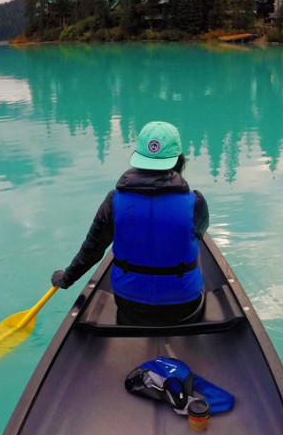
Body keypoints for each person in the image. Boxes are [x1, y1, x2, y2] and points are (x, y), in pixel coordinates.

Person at [51, 121, 209, 325]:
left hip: (130, 306)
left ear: (139, 159)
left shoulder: (113, 201)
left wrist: (66, 278)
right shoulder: (195, 202)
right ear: (179, 160)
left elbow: (92, 250)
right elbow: (199, 233)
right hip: (183, 306)